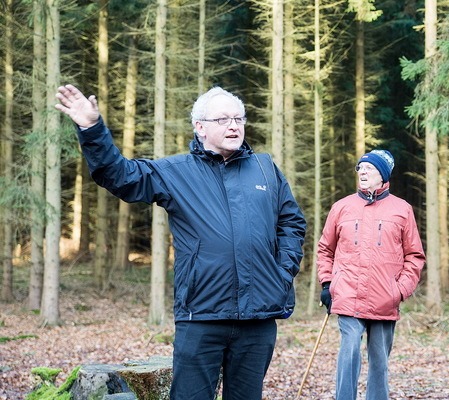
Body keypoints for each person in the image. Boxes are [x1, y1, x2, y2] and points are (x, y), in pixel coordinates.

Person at [55, 84, 306, 400]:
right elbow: (119, 176)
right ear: (200, 127)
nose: (234, 125)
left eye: (239, 118)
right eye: (223, 119)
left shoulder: (265, 168)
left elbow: (292, 223)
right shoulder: (176, 171)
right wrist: (92, 129)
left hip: (259, 318)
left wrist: (281, 275)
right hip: (201, 316)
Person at [317, 150, 426, 400]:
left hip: (385, 299)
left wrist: (399, 290)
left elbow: (415, 256)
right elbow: (325, 249)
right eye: (360, 168)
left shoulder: (402, 209)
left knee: (379, 362)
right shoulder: (341, 207)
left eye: (370, 169)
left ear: (383, 176)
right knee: (349, 352)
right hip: (347, 295)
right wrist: (327, 283)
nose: (363, 172)